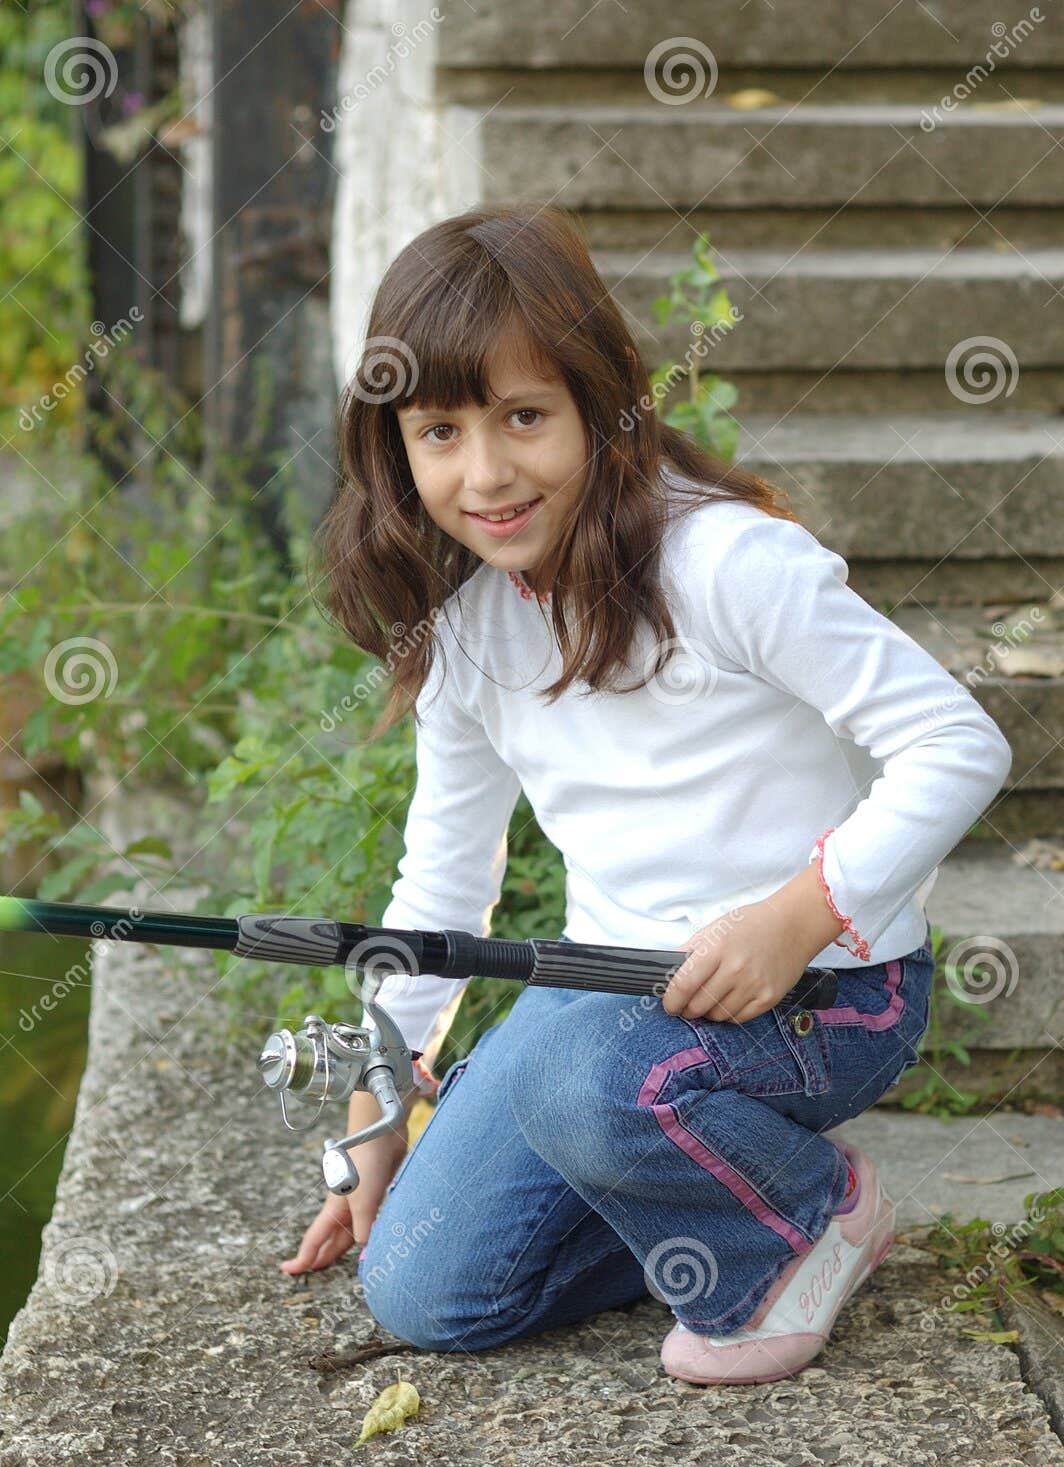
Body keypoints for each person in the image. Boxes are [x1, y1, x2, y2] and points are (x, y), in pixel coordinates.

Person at [280, 203, 1012, 1385]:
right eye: (439, 432)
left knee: (588, 1085)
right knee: (421, 1286)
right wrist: (380, 1108)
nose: (486, 472)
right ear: (394, 448)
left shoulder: (726, 564)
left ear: (597, 400)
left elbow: (954, 741)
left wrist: (794, 914)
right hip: (610, 999)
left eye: (525, 417)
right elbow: (443, 882)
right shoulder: (464, 630)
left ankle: (809, 1218)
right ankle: (675, 1177)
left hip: (827, 996)